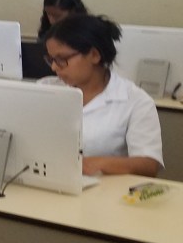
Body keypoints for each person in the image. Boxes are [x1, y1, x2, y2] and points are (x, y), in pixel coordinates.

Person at [39, 14, 162, 176]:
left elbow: (148, 165)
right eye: (51, 59)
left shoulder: (135, 100)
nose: (54, 67)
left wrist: (94, 164)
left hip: (103, 187)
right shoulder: (44, 89)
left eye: (62, 59)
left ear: (94, 55)